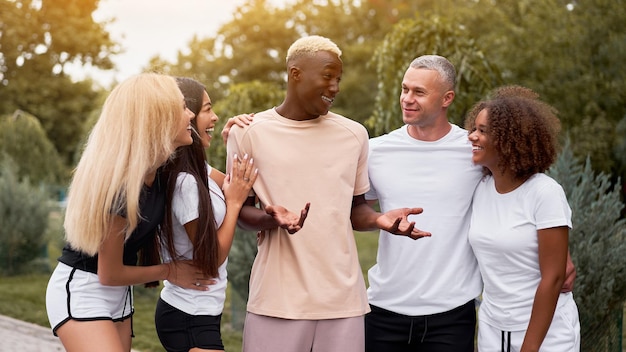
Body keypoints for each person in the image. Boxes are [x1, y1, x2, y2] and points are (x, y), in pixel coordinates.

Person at [350, 55, 576, 352]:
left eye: (419, 92)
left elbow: (520, 185)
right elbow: (356, 213)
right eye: (405, 89)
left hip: (453, 314)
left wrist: (560, 254)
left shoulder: (474, 151)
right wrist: (379, 220)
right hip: (384, 308)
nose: (407, 99)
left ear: (447, 98)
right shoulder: (376, 150)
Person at [225, 35, 427, 352]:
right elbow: (240, 213)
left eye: (338, 79)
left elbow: (355, 211)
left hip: (343, 301)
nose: (334, 87)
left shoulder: (354, 134)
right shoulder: (247, 132)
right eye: (327, 76)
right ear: (296, 74)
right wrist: (271, 218)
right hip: (278, 300)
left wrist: (379, 220)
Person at [45, 73, 210, 352]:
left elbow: (219, 179)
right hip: (84, 289)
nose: (191, 113)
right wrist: (171, 271)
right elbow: (108, 274)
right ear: (159, 119)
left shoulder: (159, 168)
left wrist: (240, 132)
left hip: (120, 294)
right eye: (183, 107)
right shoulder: (121, 188)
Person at [464, 85, 580, 351]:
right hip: (493, 329)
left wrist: (529, 348)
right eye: (474, 128)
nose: (472, 136)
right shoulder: (481, 189)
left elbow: (553, 279)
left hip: (546, 333)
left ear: (509, 139)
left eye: (483, 131)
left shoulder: (545, 193)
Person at [154, 77, 257, 352]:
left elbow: (240, 185)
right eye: (207, 109)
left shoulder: (198, 167)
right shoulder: (184, 183)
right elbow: (211, 260)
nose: (215, 116)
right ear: (185, 115)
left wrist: (234, 140)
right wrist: (233, 205)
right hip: (188, 316)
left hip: (201, 313)